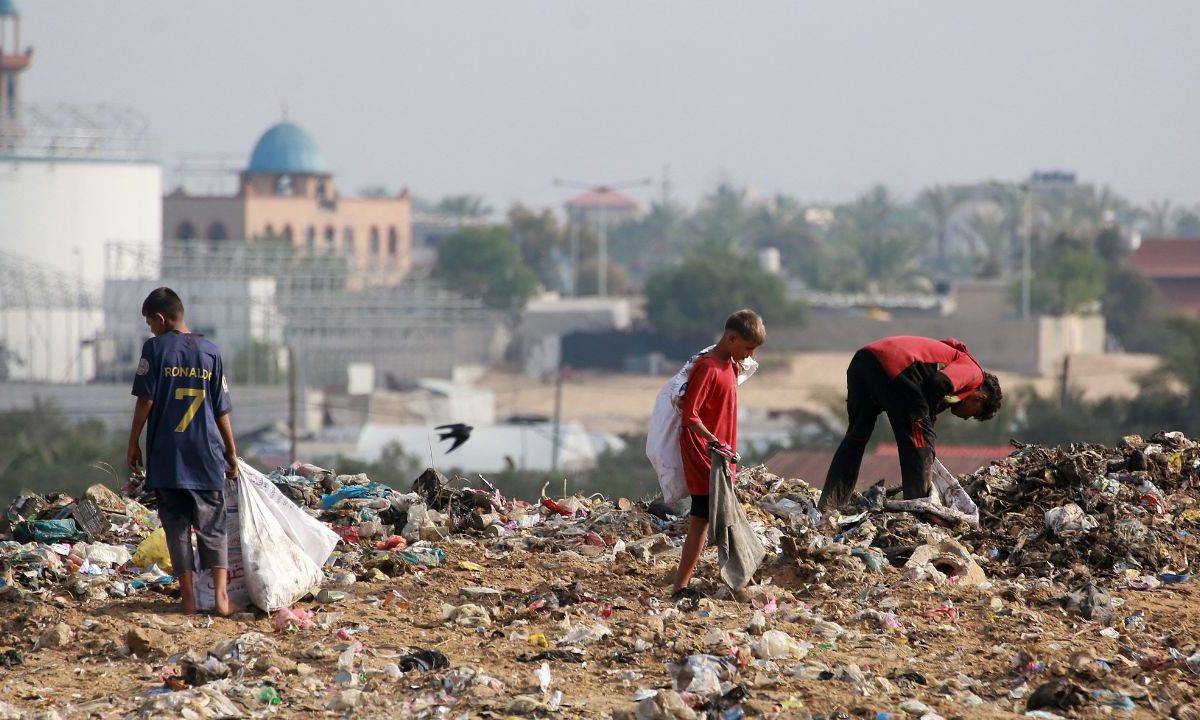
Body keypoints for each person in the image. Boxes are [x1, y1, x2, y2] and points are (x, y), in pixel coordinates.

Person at [127, 287, 238, 615]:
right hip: (206, 454)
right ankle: (221, 598)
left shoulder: (155, 349)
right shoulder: (210, 352)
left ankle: (188, 599)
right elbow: (221, 409)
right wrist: (231, 451)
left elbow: (145, 400)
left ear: (160, 318)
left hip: (168, 456)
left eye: (150, 322)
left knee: (176, 526)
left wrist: (133, 442)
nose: (150, 329)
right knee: (213, 526)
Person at [818, 335, 1002, 512]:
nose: (964, 418)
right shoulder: (974, 373)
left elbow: (930, 388)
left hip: (864, 361)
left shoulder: (949, 359)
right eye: (973, 414)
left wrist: (926, 418)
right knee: (920, 444)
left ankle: (830, 505)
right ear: (980, 397)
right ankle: (918, 511)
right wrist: (925, 424)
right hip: (894, 366)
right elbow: (938, 383)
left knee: (856, 437)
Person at [672, 309, 766, 599]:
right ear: (732, 337)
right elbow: (691, 415)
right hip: (704, 454)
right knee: (708, 517)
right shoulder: (708, 367)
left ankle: (729, 579)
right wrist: (714, 442)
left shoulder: (730, 366)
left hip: (721, 454)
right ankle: (684, 586)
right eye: (748, 348)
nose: (750, 355)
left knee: (715, 517)